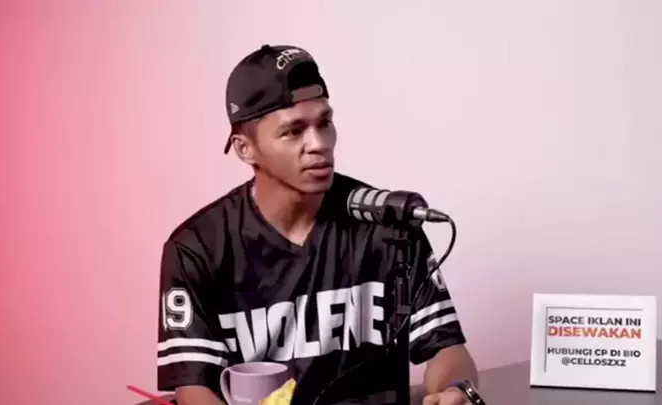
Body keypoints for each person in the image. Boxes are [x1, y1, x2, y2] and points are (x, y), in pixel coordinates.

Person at [156, 44, 482, 405]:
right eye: (294, 131)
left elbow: (448, 350)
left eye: (324, 123)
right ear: (245, 148)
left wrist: (456, 390)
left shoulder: (390, 226)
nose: (319, 144)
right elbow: (193, 387)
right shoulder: (198, 248)